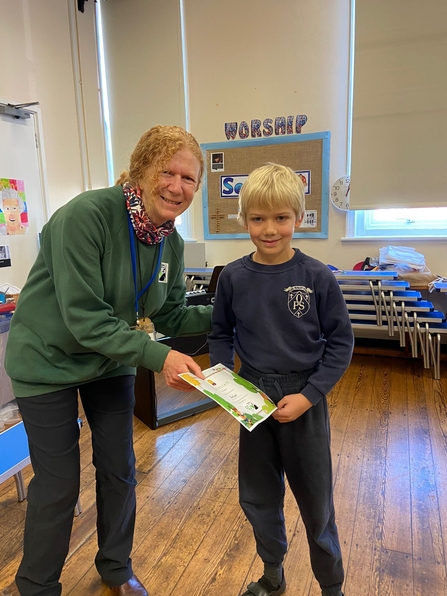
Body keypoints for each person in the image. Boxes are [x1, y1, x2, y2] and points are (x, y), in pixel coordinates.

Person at [5, 125, 212, 596]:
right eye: (168, 172)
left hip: (108, 363)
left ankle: (116, 567)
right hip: (47, 362)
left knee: (119, 468)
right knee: (58, 485)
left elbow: (172, 312)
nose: (177, 187)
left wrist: (233, 307)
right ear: (140, 171)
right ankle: (37, 585)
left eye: (189, 179)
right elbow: (86, 320)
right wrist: (161, 357)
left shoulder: (169, 242)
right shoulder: (85, 217)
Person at [208, 163, 354, 596]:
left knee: (315, 501)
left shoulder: (316, 277)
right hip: (251, 394)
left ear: (299, 218)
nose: (269, 229)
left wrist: (309, 396)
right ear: (244, 220)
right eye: (258, 218)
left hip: (302, 399)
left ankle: (332, 586)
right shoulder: (233, 276)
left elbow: (340, 343)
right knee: (256, 495)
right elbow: (220, 333)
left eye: (281, 218)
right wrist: (222, 381)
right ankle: (273, 574)